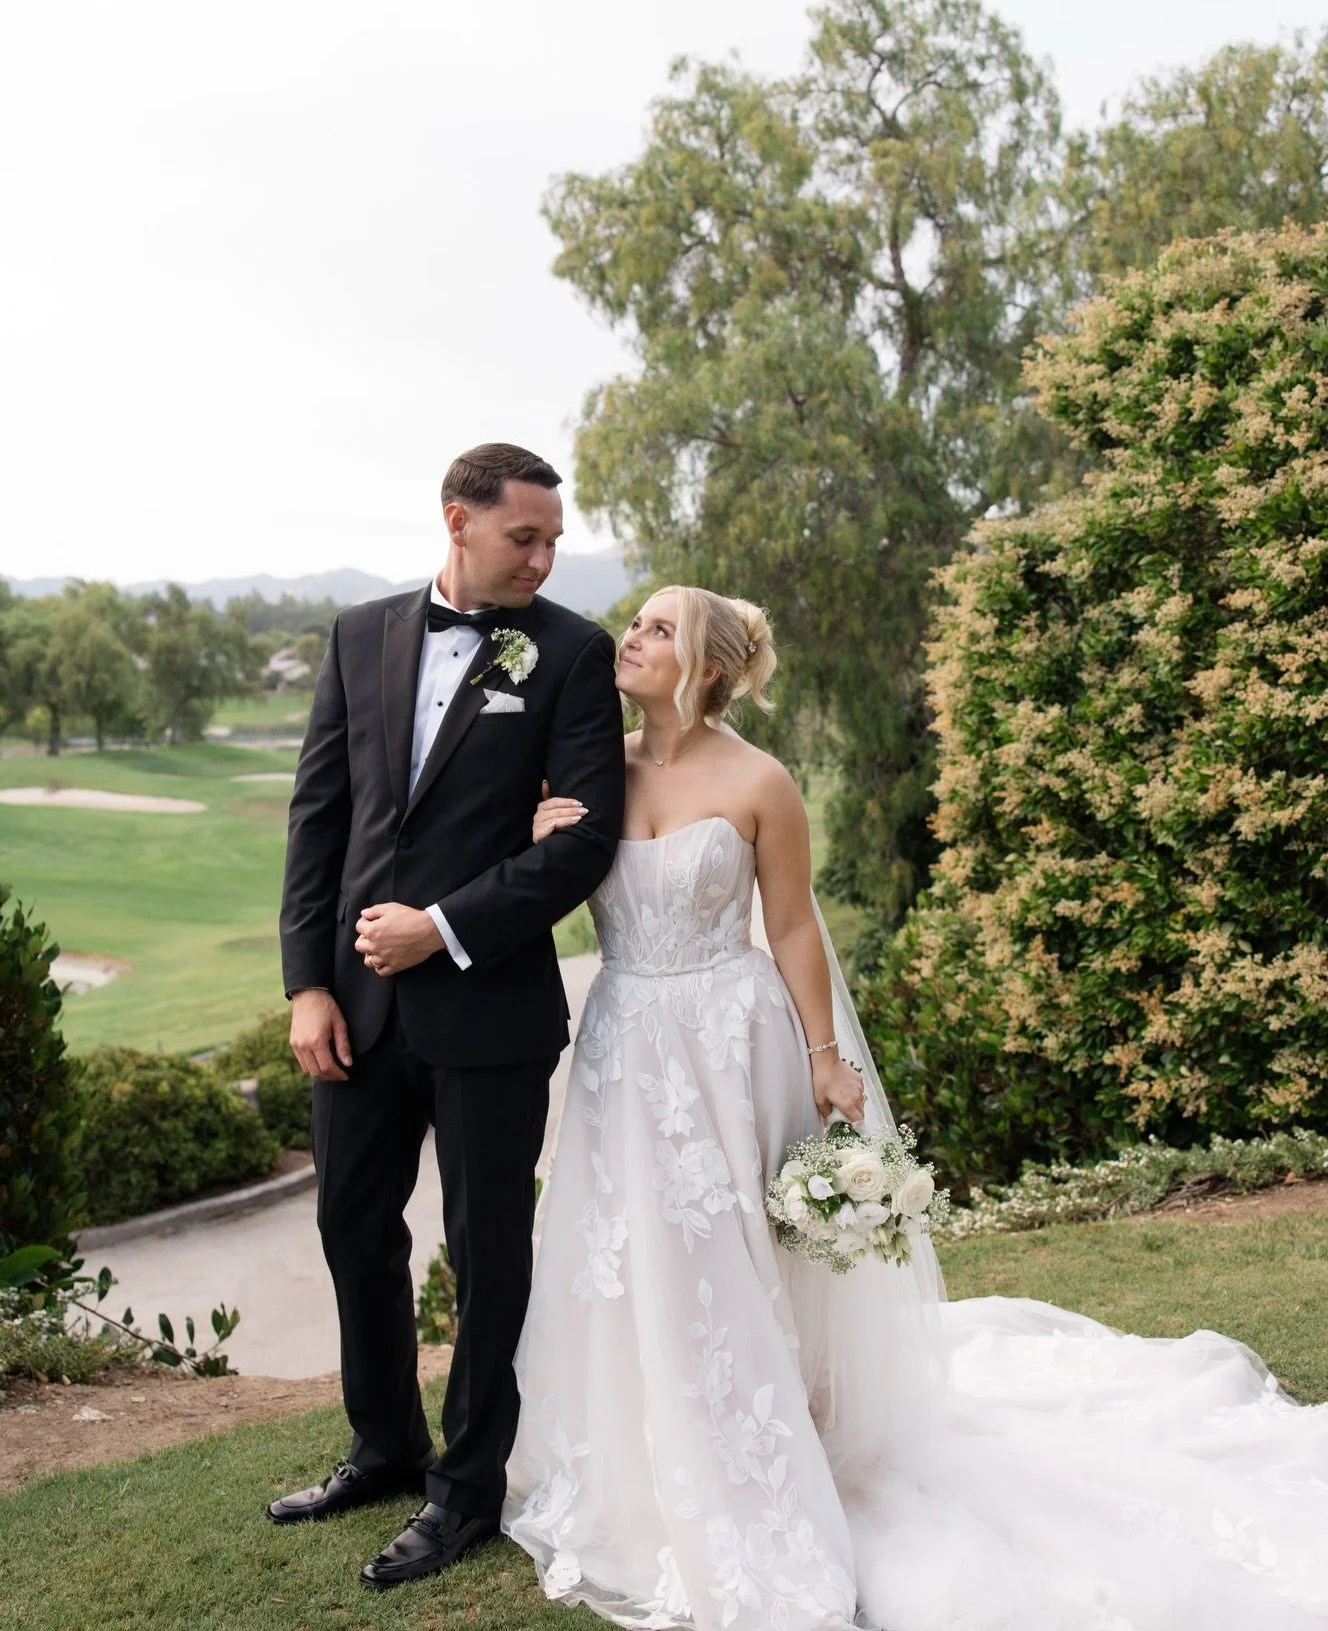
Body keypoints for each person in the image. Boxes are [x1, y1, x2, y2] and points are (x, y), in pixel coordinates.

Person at [505, 585, 1328, 1630]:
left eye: (661, 629)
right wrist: (542, 839)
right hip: (627, 1041)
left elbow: (795, 929)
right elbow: (544, 885)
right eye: (640, 621)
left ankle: (760, 1436)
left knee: (736, 1250)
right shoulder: (588, 772)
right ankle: (644, 1439)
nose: (634, 638)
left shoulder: (761, 779)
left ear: (707, 666)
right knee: (637, 1249)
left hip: (730, 1038)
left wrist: (825, 1057)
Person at [269, 442, 626, 1592]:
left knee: (486, 1254)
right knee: (353, 1233)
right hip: (356, 1006)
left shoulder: (571, 652)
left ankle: (466, 1490)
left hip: (490, 1008)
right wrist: (307, 984)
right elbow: (321, 819)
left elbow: (584, 841)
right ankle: (383, 1446)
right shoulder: (358, 634)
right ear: (458, 520)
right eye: (525, 536)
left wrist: (443, 925)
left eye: (554, 540)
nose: (544, 556)